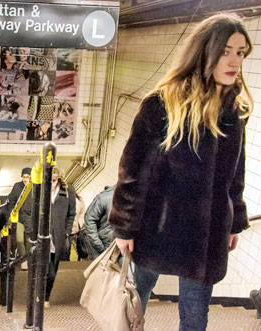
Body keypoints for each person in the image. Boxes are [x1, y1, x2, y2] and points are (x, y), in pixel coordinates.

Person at [108, 14, 252, 331]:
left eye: (240, 52)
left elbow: (235, 173)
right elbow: (132, 168)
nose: (234, 61)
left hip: (208, 231)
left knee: (195, 317)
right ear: (205, 52)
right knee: (133, 305)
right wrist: (124, 226)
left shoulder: (235, 110)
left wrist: (235, 220)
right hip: (155, 225)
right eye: (226, 50)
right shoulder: (162, 103)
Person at [45, 167, 76, 308]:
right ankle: (42, 296)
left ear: (59, 179)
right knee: (44, 269)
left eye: (54, 180)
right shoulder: (40, 190)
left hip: (58, 237)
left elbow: (71, 213)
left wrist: (66, 232)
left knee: (52, 272)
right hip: (42, 236)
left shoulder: (68, 191)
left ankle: (46, 295)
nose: (51, 184)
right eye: (49, 181)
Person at [7, 167, 33, 269]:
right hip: (19, 217)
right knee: (19, 240)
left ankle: (28, 260)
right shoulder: (17, 187)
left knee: (28, 241)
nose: (25, 179)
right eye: (24, 177)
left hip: (31, 218)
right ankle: (24, 259)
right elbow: (12, 201)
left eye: (27, 177)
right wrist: (11, 214)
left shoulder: (35, 187)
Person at [84, 185, 114, 260]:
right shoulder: (104, 198)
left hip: (126, 246)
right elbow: (89, 220)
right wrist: (98, 245)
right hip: (106, 245)